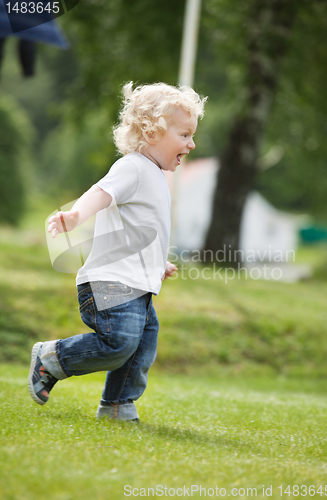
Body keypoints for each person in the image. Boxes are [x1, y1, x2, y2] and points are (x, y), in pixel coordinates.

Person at [28, 82, 207, 422]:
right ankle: (52, 357)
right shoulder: (133, 167)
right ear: (152, 131)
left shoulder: (154, 175)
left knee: (141, 347)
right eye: (184, 135)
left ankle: (117, 405)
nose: (192, 143)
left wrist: (159, 260)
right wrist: (77, 214)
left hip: (137, 284)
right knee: (119, 343)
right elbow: (101, 192)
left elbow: (141, 229)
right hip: (110, 282)